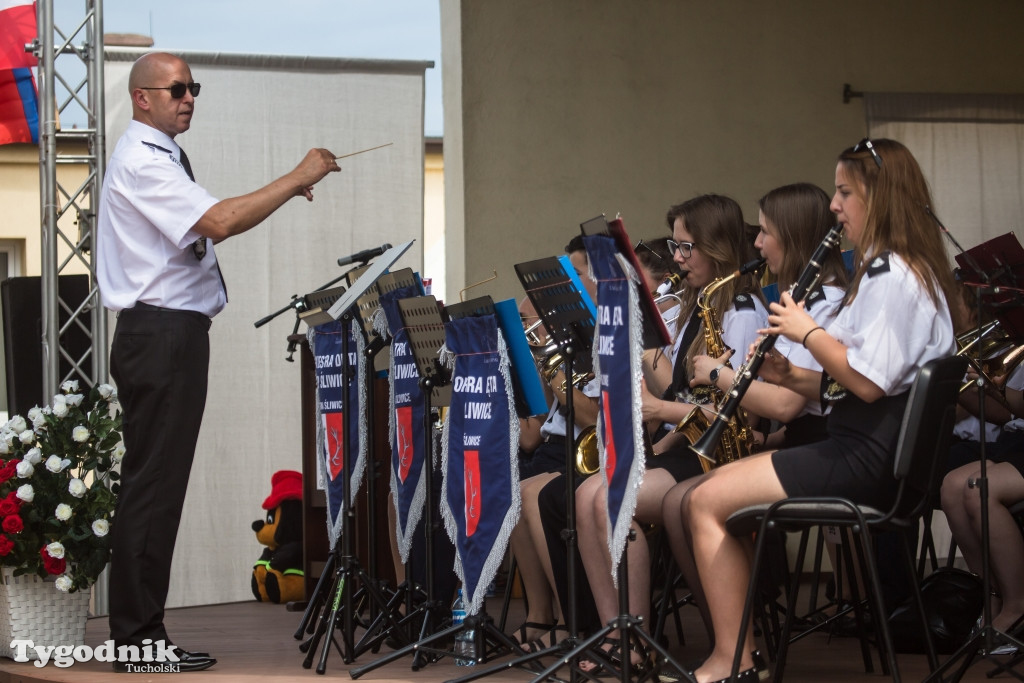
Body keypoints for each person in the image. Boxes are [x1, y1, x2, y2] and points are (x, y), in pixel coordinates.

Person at [97, 52, 340, 673]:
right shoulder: (144, 159)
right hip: (161, 335)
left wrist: (286, 187)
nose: (189, 98)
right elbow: (220, 221)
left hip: (168, 333)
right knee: (154, 488)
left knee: (157, 485)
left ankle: (141, 631)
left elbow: (213, 222)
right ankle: (138, 639)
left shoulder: (163, 155)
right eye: (176, 89)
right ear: (143, 98)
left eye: (193, 87)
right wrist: (295, 176)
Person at [682, 138, 959, 683]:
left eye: (844, 192)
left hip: (867, 459)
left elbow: (870, 383)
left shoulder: (893, 277)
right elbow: (855, 381)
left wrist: (806, 332)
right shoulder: (900, 271)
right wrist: (793, 375)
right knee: (710, 495)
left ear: (880, 197)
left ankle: (732, 662)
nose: (835, 205)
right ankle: (740, 655)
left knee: (703, 501)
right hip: (866, 449)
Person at [574, 195, 767, 674]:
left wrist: (659, 409)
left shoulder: (742, 311)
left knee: (605, 501)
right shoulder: (697, 304)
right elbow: (678, 390)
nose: (677, 259)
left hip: (725, 456)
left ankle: (637, 639)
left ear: (716, 247)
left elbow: (736, 413)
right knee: (585, 497)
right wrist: (637, 344)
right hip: (691, 446)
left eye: (686, 248)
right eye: (676, 248)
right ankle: (616, 635)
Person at [659, 182, 848, 647]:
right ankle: (734, 632)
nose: (757, 244)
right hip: (802, 442)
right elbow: (801, 394)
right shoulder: (800, 301)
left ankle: (737, 640)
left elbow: (788, 406)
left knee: (689, 500)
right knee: (678, 501)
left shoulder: (826, 304)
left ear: (795, 235)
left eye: (765, 233)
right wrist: (770, 374)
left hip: (826, 451)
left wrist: (721, 375)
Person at [508, 236, 601, 651]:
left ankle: (569, 620)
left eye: (577, 274)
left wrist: (553, 365)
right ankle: (540, 615)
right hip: (554, 443)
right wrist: (532, 360)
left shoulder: (601, 334)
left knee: (531, 494)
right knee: (510, 490)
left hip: (585, 448)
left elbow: (590, 416)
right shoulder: (573, 333)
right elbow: (544, 416)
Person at [940, 363, 1024, 648]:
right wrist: (993, 390)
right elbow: (1014, 410)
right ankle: (993, 593)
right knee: (952, 487)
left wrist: (997, 390)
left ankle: (1017, 604)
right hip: (1015, 439)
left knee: (980, 491)